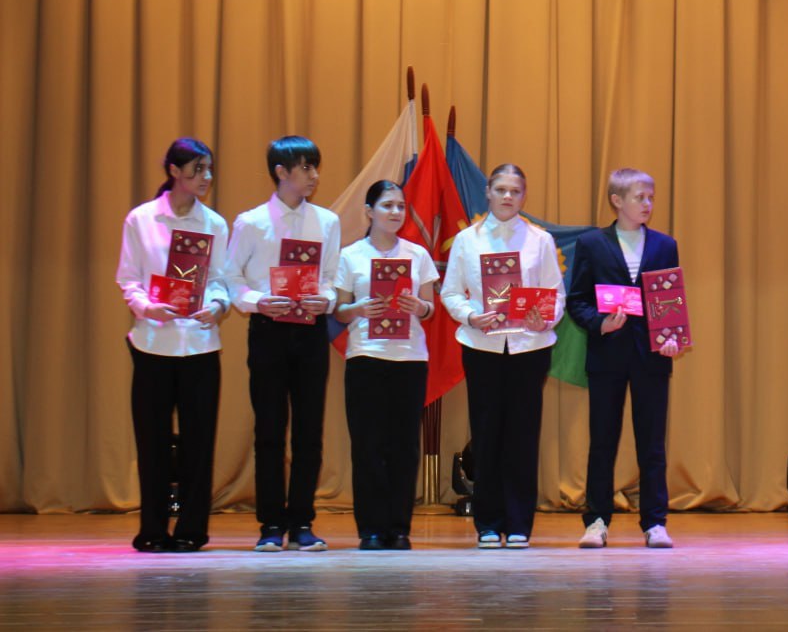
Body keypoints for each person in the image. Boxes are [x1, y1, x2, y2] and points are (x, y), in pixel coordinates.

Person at [226, 136, 341, 551]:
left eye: (315, 167)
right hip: (269, 330)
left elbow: (331, 278)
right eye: (306, 167)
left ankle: (302, 522)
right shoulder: (251, 222)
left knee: (310, 431)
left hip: (310, 331)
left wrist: (326, 299)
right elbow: (230, 277)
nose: (314, 176)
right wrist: (258, 301)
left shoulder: (327, 221)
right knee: (270, 431)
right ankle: (271, 525)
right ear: (281, 172)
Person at [441, 164, 564, 549]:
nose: (508, 196)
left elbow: (556, 294)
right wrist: (470, 316)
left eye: (515, 190)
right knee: (487, 434)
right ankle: (488, 524)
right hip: (482, 347)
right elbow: (450, 293)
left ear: (524, 196)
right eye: (501, 189)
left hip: (529, 348)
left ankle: (519, 523)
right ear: (488, 193)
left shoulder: (540, 240)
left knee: (523, 435)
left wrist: (545, 318)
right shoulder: (467, 240)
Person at [115, 138, 229, 552]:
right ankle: (152, 530)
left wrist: (217, 305)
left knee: (200, 441)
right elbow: (128, 279)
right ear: (174, 171)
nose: (206, 177)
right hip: (152, 344)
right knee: (153, 441)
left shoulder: (214, 223)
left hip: (200, 345)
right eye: (198, 169)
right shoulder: (142, 219)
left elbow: (221, 280)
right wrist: (147, 307)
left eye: (209, 169)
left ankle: (192, 530)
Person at [568, 168, 683, 549]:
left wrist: (671, 338)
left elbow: (670, 300)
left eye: (651, 197)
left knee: (652, 443)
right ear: (617, 201)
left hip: (651, 357)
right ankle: (596, 521)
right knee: (602, 441)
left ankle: (655, 522)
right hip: (607, 356)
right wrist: (600, 324)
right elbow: (577, 301)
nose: (647, 204)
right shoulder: (591, 244)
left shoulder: (665, 245)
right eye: (639, 197)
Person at [334, 181, 438, 551]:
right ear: (369, 211)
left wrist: (419, 307)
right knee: (367, 445)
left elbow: (430, 308)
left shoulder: (417, 254)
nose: (395, 212)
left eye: (400, 206)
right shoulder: (351, 255)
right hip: (366, 356)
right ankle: (371, 529)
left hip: (409, 359)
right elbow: (339, 310)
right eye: (387, 205)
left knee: (404, 446)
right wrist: (359, 309)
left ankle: (399, 527)